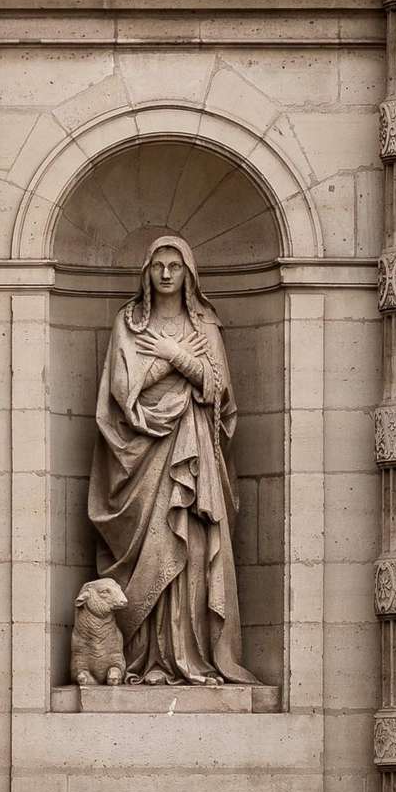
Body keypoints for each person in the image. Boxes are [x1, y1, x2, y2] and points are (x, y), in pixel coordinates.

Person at [89, 236, 256, 687]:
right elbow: (123, 392)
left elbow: (218, 391)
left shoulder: (205, 324)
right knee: (152, 546)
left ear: (188, 274)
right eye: (158, 265)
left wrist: (177, 355)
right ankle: (144, 658)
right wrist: (171, 362)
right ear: (147, 272)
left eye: (174, 266)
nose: (166, 273)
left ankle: (192, 657)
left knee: (194, 548)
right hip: (142, 455)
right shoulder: (130, 323)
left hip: (193, 449)